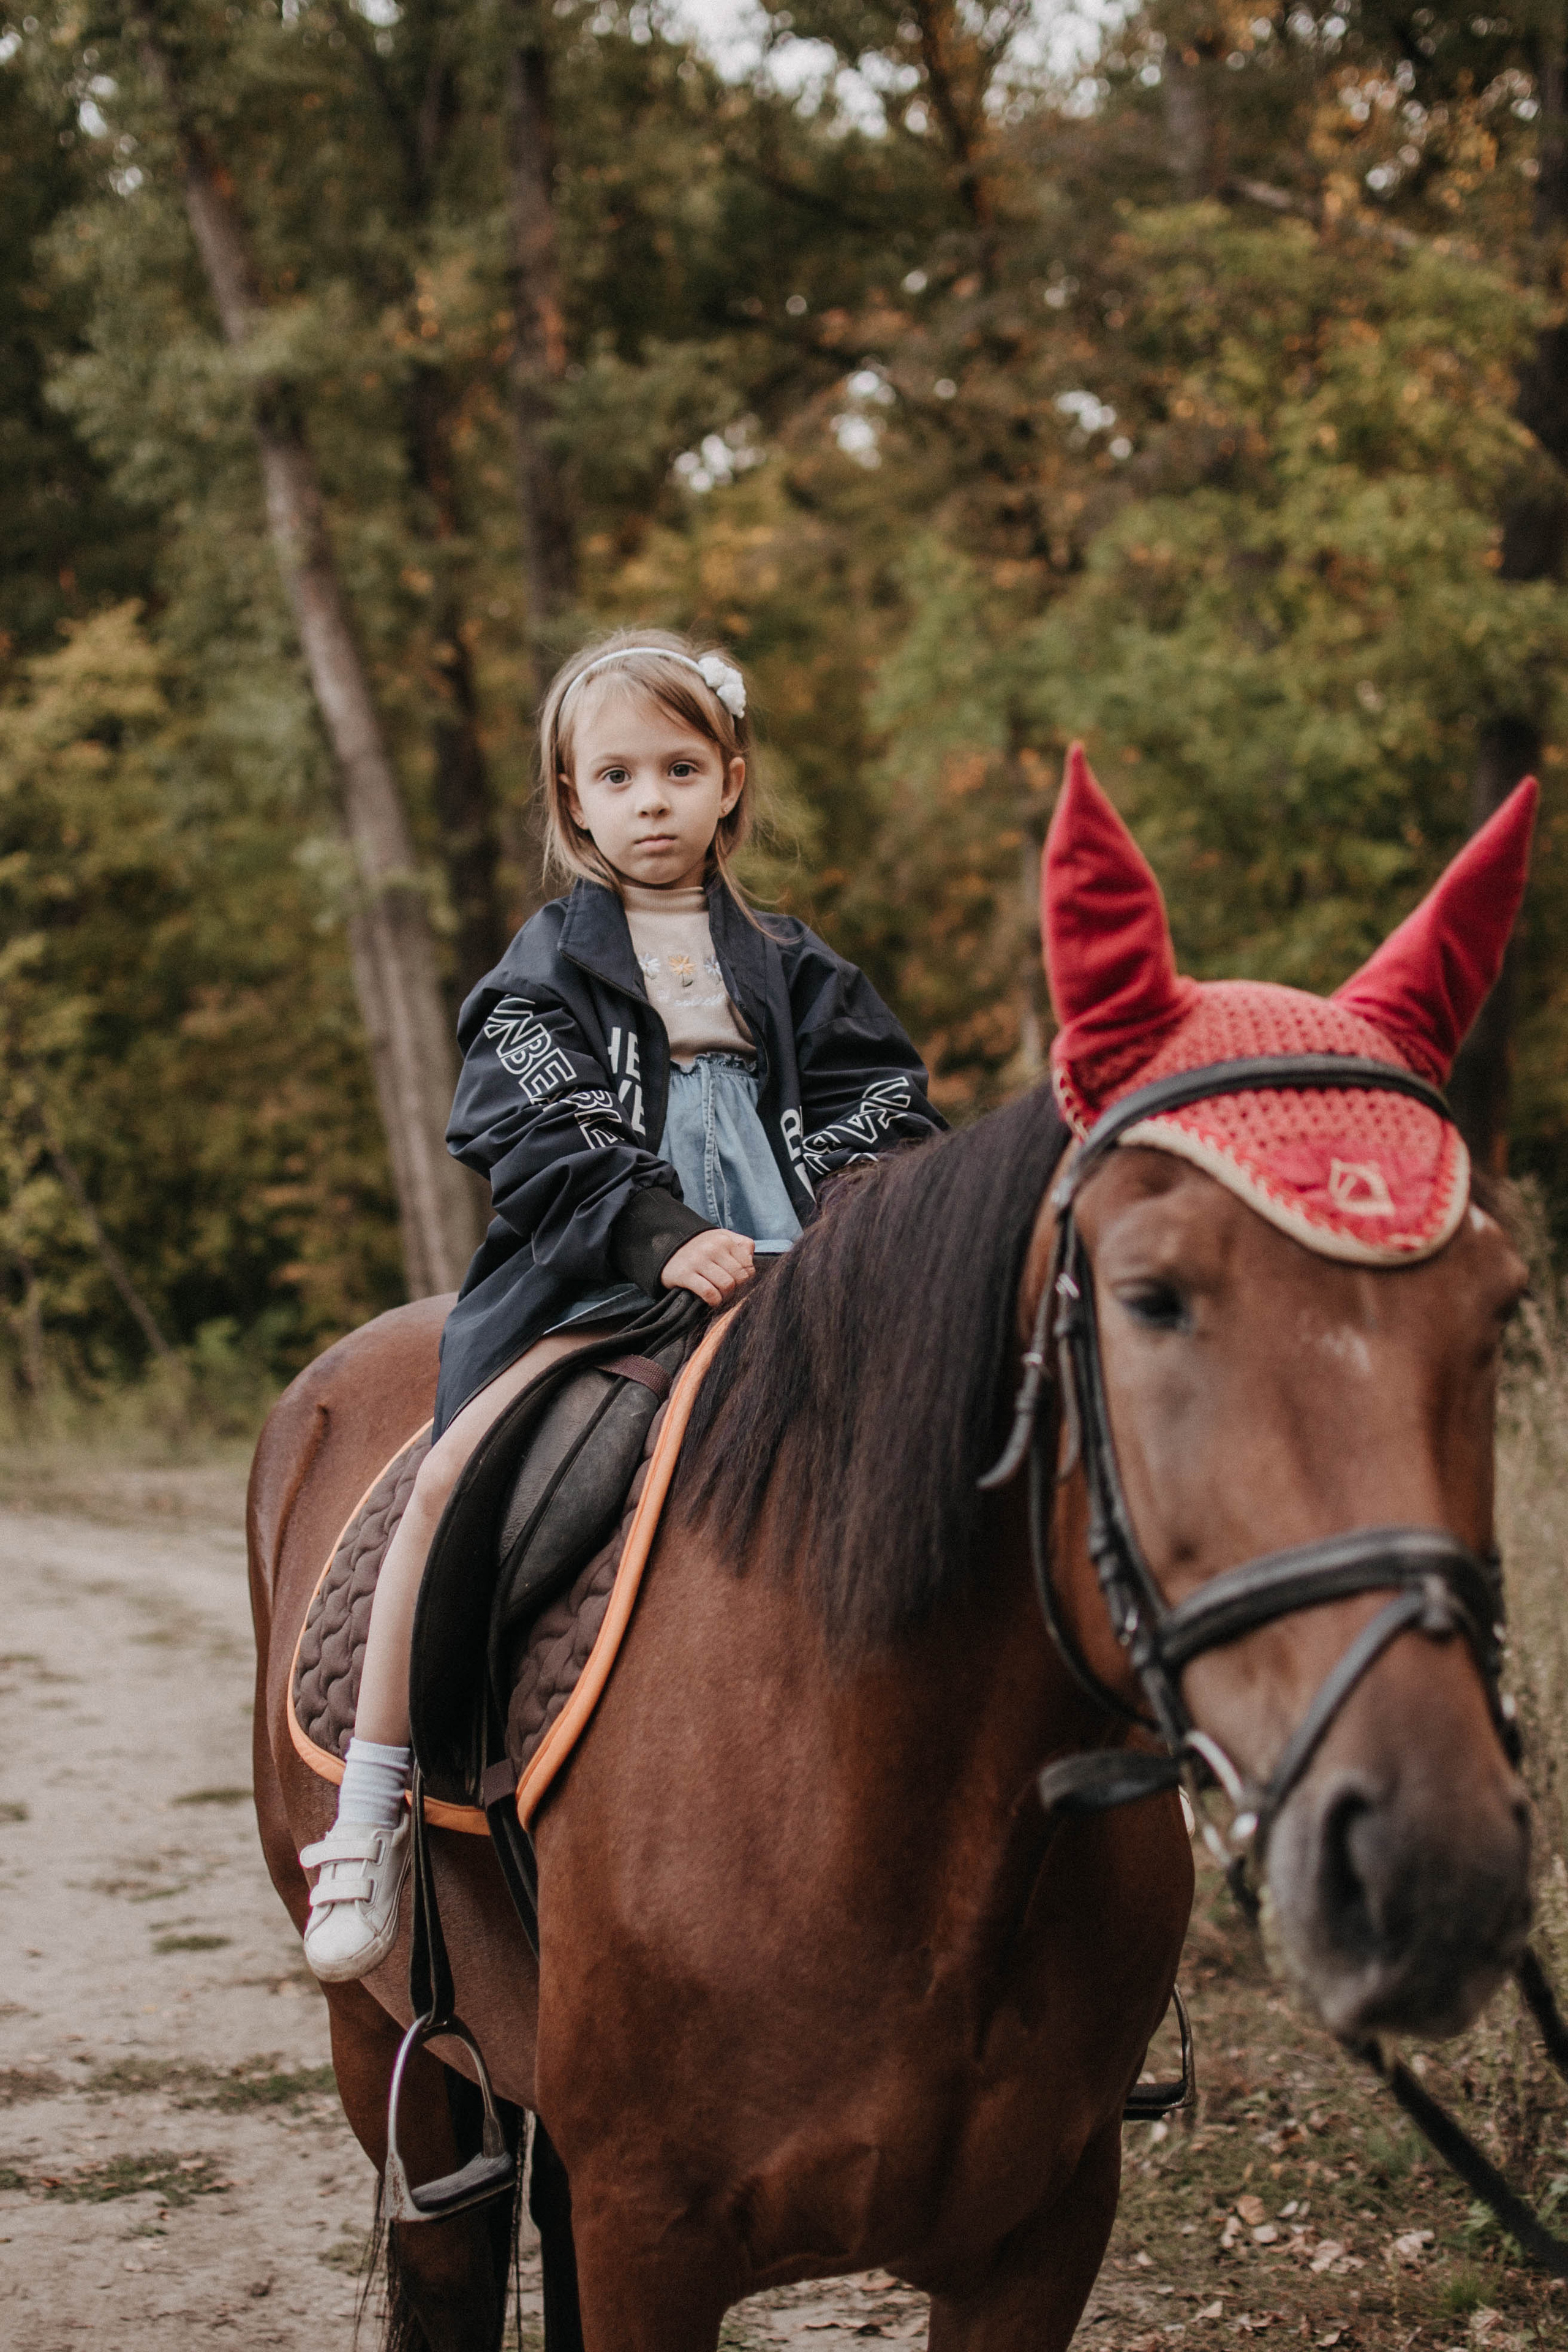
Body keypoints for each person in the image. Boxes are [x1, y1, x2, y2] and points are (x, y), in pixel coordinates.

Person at [299, 627, 945, 1980]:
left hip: (791, 1273)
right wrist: (661, 1233)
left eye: (677, 768)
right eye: (615, 777)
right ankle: (371, 1802)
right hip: (597, 1277)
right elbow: (530, 1123)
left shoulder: (791, 963)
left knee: (968, 1448)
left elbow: (883, 1100)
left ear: (729, 784)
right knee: (446, 1482)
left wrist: (816, 1223)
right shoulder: (543, 971)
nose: (648, 800)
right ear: (571, 802)